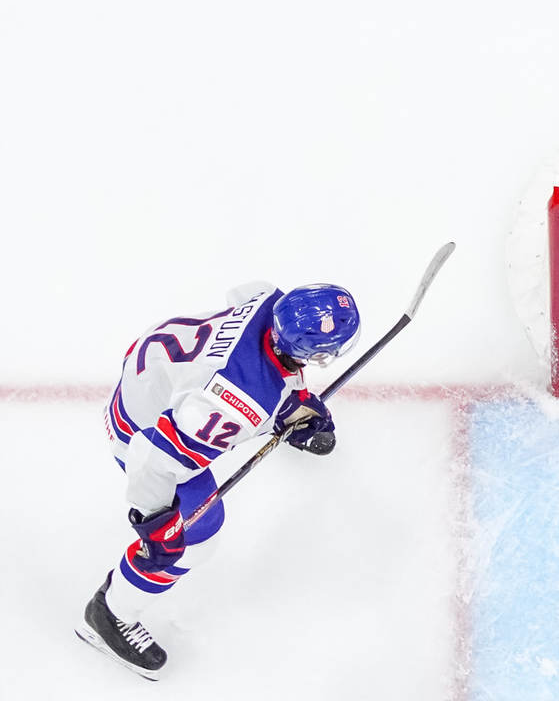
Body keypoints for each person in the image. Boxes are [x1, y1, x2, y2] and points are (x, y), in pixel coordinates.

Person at [80, 281, 358, 677]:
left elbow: (240, 299)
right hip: (140, 431)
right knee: (198, 537)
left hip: (154, 372)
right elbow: (152, 459)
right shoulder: (233, 405)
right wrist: (153, 524)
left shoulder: (270, 300)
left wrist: (287, 400)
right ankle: (110, 614)